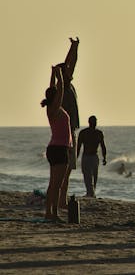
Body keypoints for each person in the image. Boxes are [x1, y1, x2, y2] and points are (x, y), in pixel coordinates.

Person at [41, 65, 72, 222]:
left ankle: (50, 213)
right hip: (59, 149)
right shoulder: (55, 108)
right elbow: (60, 89)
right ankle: (52, 214)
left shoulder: (50, 109)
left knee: (53, 184)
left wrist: (53, 73)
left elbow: (53, 88)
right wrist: (59, 74)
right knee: (56, 185)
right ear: (55, 98)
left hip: (55, 148)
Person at [59, 37, 80, 208]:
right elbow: (69, 64)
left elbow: (71, 64)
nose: (70, 71)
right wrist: (72, 49)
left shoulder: (68, 85)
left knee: (67, 171)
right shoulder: (62, 89)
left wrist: (75, 47)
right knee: (64, 171)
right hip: (67, 134)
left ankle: (62, 199)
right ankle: (61, 200)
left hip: (71, 132)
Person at [77, 115, 107, 198]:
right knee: (88, 176)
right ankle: (90, 193)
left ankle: (91, 193)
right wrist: (76, 157)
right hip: (87, 156)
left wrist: (104, 158)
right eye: (94, 122)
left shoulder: (98, 133)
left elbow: (103, 146)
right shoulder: (84, 133)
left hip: (93, 156)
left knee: (93, 176)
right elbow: (78, 146)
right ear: (90, 122)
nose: (95, 123)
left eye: (95, 122)